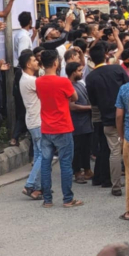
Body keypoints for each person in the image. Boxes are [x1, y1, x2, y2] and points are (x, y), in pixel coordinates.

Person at [36, 49, 82, 208]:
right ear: (56, 63)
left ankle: (47, 199)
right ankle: (68, 198)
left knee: (45, 163)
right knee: (65, 164)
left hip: (46, 127)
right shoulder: (63, 82)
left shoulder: (38, 81)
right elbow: (75, 97)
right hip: (63, 126)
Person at [86, 43, 129, 197]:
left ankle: (114, 183)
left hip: (107, 118)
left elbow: (93, 101)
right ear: (105, 55)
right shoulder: (117, 69)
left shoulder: (90, 77)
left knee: (114, 152)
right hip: (126, 116)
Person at [20, 51, 43, 199]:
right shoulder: (31, 81)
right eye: (34, 60)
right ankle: (30, 184)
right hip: (37, 121)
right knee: (43, 154)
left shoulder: (26, 78)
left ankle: (37, 187)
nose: (37, 62)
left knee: (38, 154)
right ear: (28, 64)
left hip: (33, 120)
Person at [68, 61, 93, 183]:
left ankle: (87, 169)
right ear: (73, 72)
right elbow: (71, 106)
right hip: (76, 122)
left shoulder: (80, 84)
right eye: (79, 70)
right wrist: (89, 108)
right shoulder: (68, 85)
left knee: (86, 147)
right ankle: (77, 172)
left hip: (86, 122)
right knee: (77, 148)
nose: (81, 73)